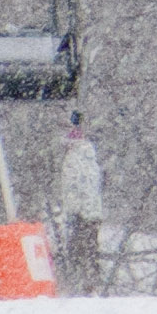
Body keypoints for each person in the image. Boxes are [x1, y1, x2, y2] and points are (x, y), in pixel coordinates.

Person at [50, 110, 105, 296]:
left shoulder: (77, 157)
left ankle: (84, 286)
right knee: (86, 251)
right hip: (85, 213)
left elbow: (80, 187)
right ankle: (86, 285)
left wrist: (78, 211)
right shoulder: (84, 156)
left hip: (82, 214)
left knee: (81, 252)